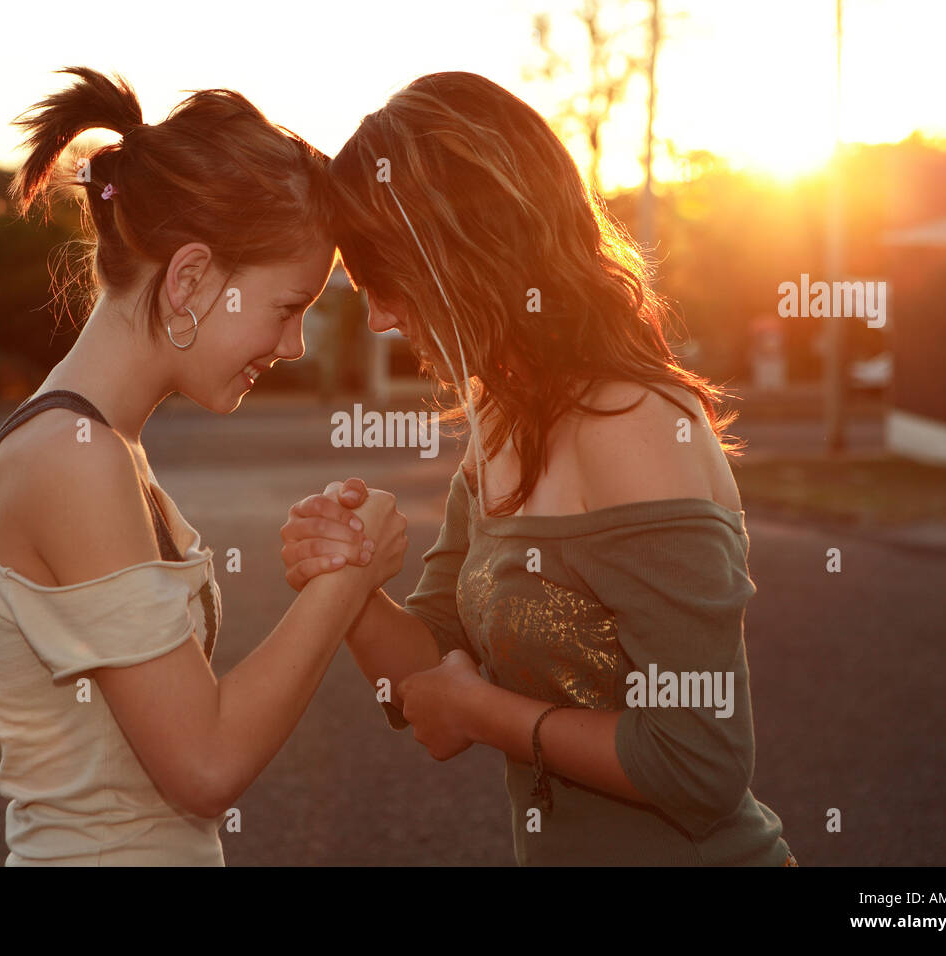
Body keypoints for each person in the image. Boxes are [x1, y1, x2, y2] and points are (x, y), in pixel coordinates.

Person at [280, 71, 796, 866]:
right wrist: (347, 583)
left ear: (463, 254)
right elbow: (424, 684)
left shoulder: (633, 424)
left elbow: (702, 764)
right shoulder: (498, 419)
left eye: (381, 279)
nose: (377, 316)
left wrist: (483, 713)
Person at [0, 67, 406, 866]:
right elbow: (203, 768)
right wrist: (349, 576)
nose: (293, 345)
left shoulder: (101, 445)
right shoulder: (74, 458)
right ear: (192, 279)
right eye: (286, 307)